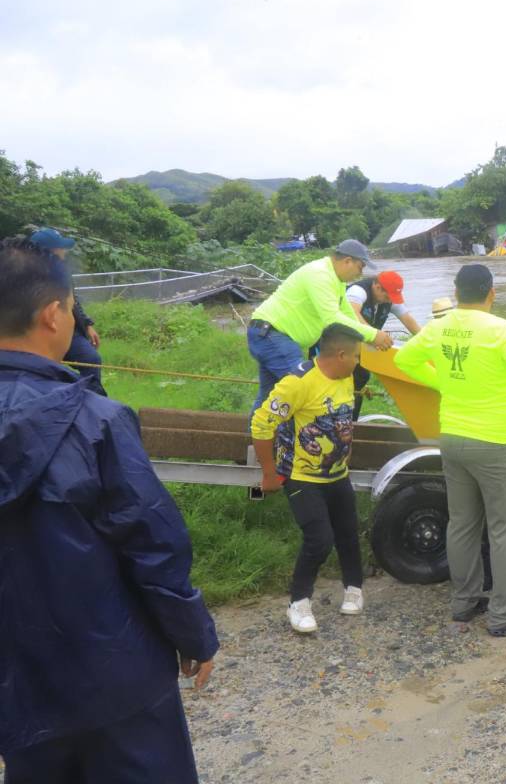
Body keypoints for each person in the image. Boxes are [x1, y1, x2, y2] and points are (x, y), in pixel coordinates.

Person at [0, 238, 218, 784]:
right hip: (113, 675)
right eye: (72, 308)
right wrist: (193, 634)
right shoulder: (96, 421)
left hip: (16, 684)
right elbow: (152, 542)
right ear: (52, 315)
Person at [392, 264, 506, 637]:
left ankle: (464, 603)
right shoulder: (501, 330)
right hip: (496, 442)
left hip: (453, 439)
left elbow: (403, 360)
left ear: (457, 291)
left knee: (462, 524)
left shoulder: (439, 327)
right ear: (491, 293)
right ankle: (504, 615)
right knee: (504, 530)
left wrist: (443, 383)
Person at [251, 323, 365, 634]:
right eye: (356, 356)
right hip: (302, 476)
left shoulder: (346, 377)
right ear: (340, 354)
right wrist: (268, 473)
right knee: (319, 539)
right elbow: (261, 425)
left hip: (337, 474)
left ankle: (354, 588)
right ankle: (298, 603)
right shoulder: (297, 383)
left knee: (348, 533)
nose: (358, 362)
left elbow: (343, 423)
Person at [247, 239, 392, 414]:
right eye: (360, 267)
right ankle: (305, 438)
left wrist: (370, 337)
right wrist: (373, 335)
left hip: (269, 335)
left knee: (269, 396)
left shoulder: (336, 281)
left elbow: (347, 314)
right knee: (306, 390)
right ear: (347, 261)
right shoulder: (320, 275)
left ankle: (256, 439)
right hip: (272, 334)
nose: (360, 274)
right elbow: (332, 318)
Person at [27, 227, 106, 396]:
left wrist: (87, 325)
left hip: (68, 330)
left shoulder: (62, 272)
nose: (64, 251)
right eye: (60, 247)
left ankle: (92, 398)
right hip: (36, 333)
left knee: (91, 360)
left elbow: (73, 301)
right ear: (50, 251)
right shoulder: (24, 273)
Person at [344, 270, 422, 420]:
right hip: (336, 346)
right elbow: (351, 313)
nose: (388, 300)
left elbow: (410, 321)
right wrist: (374, 334)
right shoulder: (357, 291)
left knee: (360, 379)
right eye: (387, 296)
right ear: (377, 287)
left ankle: (351, 425)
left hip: (359, 348)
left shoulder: (388, 299)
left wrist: (429, 343)